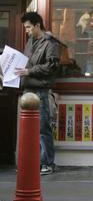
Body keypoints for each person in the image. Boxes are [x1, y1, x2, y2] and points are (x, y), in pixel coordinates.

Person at [15, 12, 59, 175]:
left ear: (37, 25)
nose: (26, 31)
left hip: (40, 90)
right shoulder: (30, 41)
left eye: (28, 27)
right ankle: (33, 162)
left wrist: (29, 71)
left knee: (42, 129)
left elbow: (52, 67)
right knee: (29, 130)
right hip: (28, 90)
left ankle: (47, 163)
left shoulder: (51, 43)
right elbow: (25, 62)